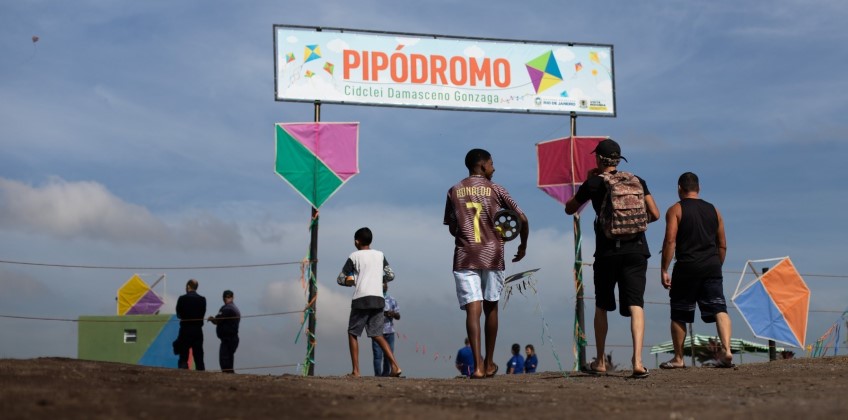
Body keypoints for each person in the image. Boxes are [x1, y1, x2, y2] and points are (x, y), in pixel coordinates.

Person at [565, 138, 659, 379]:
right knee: (636, 304)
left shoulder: (595, 183)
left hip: (607, 252)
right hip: (637, 249)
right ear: (618, 160)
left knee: (602, 305)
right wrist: (633, 225)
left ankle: (600, 362)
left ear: (598, 159)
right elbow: (656, 214)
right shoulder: (637, 180)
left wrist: (588, 181)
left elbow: (570, 207)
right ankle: (638, 362)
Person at [444, 148, 529, 379]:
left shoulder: (454, 190)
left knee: (473, 309)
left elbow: (452, 227)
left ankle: (478, 367)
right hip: (492, 254)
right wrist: (522, 245)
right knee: (491, 306)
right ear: (482, 166)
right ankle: (490, 363)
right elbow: (522, 218)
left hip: (465, 255)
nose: (494, 168)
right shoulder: (496, 189)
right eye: (492, 164)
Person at [660, 172, 733, 369]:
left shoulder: (675, 209)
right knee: (719, 307)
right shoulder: (714, 210)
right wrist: (717, 265)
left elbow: (670, 241)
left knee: (679, 313)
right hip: (712, 266)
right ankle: (727, 350)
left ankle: (678, 358)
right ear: (698, 188)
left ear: (679, 189)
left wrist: (664, 269)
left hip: (686, 267)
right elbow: (723, 244)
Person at [337, 227, 402, 377]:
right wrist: (378, 279)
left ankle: (356, 371)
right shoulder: (380, 255)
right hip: (379, 299)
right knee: (377, 334)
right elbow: (391, 275)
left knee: (353, 333)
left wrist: (350, 282)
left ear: (356, 241)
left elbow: (340, 278)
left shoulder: (354, 256)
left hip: (361, 298)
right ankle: (395, 366)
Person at [175, 279, 206, 370]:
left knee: (184, 355)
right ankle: (202, 375)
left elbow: (178, 314)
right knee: (199, 356)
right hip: (197, 330)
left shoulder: (182, 299)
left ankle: (184, 376)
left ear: (188, 286)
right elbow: (202, 313)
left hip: (185, 329)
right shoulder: (202, 299)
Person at [207, 290, 240, 373]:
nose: (226, 298)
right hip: (233, 338)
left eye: (228, 297)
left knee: (224, 359)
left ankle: (228, 376)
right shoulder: (235, 308)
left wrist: (211, 319)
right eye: (225, 297)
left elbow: (218, 320)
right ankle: (230, 376)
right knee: (229, 359)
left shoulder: (227, 308)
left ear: (232, 297)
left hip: (228, 338)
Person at [372, 282, 400, 376]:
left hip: (389, 331)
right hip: (377, 331)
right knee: (377, 356)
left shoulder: (392, 300)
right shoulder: (374, 299)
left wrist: (392, 314)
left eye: (386, 285)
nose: (385, 286)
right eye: (383, 285)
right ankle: (378, 375)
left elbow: (398, 316)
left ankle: (386, 374)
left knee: (389, 355)